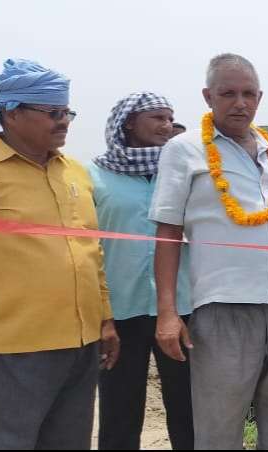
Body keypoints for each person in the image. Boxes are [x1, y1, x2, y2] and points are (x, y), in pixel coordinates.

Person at [150, 53, 268, 450]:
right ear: (208, 96)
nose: (239, 103)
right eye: (228, 93)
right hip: (224, 306)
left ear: (259, 97)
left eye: (248, 94)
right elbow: (168, 233)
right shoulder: (184, 149)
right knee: (220, 423)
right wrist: (168, 313)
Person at [0, 58, 120, 449]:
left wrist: (106, 319)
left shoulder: (75, 173)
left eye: (67, 112)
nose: (64, 121)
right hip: (9, 346)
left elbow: (91, 251)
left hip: (80, 343)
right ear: (11, 114)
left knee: (69, 441)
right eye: (52, 112)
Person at [88, 92, 194, 450]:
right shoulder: (95, 176)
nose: (166, 126)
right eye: (157, 118)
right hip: (120, 311)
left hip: (181, 307)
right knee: (119, 409)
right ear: (128, 122)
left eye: (170, 118)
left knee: (189, 406)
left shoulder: (182, 172)